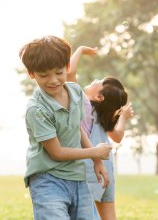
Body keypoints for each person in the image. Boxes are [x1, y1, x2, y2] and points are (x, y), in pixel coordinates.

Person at [20, 35, 112, 220]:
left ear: (67, 67)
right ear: (32, 74)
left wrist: (97, 161)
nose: (53, 80)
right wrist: (94, 152)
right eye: (44, 75)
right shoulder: (37, 109)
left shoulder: (75, 92)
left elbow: (76, 127)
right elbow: (57, 153)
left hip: (77, 177)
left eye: (59, 72)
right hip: (47, 180)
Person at [68, 46, 134, 220]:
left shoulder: (83, 105)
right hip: (108, 167)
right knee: (108, 215)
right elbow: (118, 137)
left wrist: (81, 50)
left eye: (100, 81)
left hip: (92, 169)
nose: (96, 79)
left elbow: (70, 72)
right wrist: (124, 116)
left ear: (99, 97)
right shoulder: (104, 116)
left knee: (86, 215)